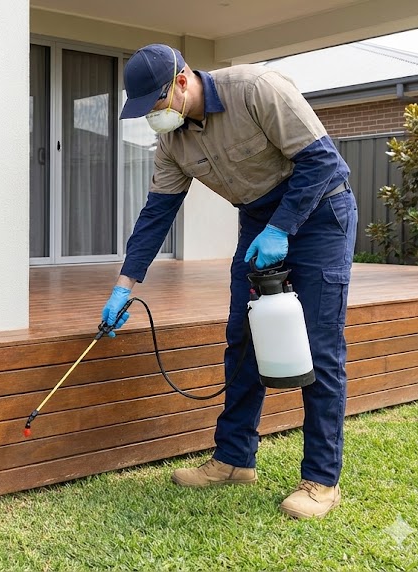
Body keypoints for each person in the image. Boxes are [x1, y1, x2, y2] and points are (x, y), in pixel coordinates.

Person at [104, 44, 357, 519]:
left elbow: (323, 163)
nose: (154, 118)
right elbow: (156, 215)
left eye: (156, 105)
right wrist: (124, 285)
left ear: (181, 82)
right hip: (259, 221)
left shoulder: (257, 89)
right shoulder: (173, 143)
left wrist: (283, 228)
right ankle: (234, 459)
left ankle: (322, 480)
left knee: (319, 345)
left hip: (322, 212)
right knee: (243, 338)